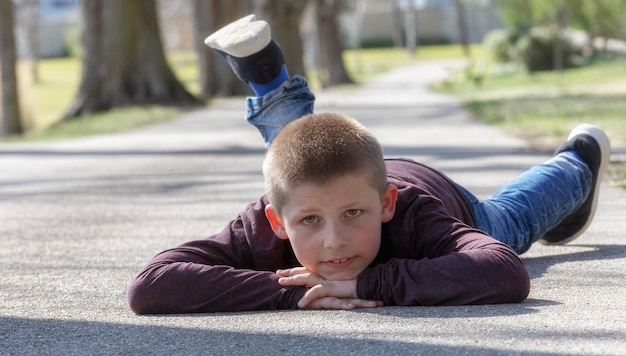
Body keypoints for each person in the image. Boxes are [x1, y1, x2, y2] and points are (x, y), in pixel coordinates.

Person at [127, 15, 611, 314]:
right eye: (309, 224)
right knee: (300, 166)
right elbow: (150, 287)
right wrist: (291, 293)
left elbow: (503, 273)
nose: (334, 242)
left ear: (384, 205)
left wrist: (364, 282)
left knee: (512, 219)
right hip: (348, 174)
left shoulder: (415, 215)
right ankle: (269, 81)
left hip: (442, 195)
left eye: (353, 217)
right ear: (276, 222)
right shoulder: (263, 223)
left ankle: (578, 159)